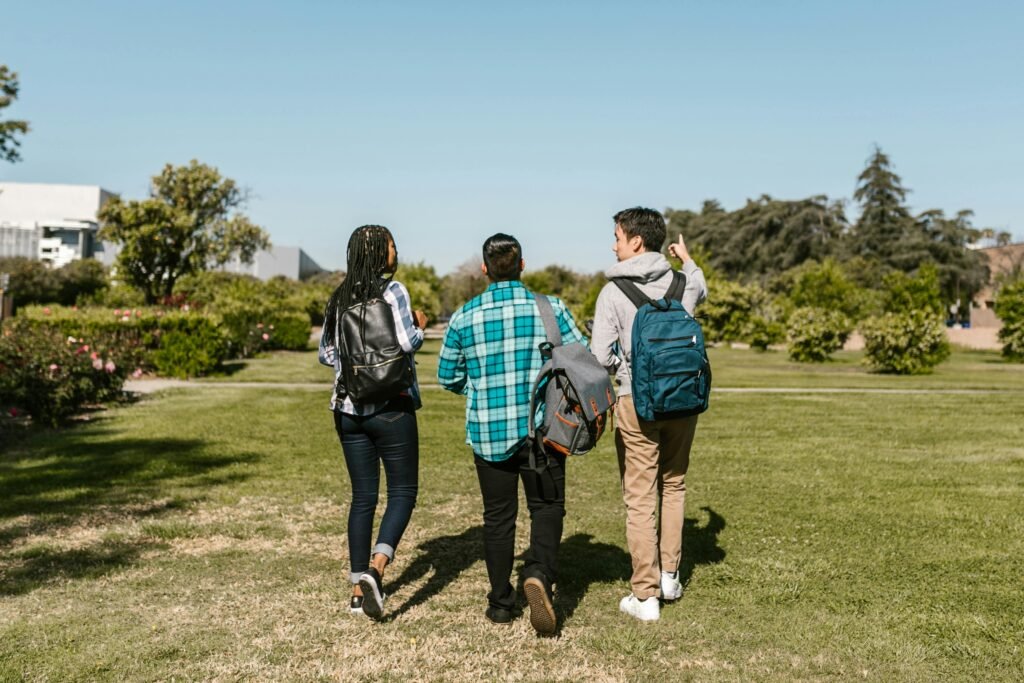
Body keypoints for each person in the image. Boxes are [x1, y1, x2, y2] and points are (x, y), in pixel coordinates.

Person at [437, 233, 586, 635]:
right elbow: (581, 357)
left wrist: (479, 388)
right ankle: (538, 574)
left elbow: (446, 376)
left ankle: (501, 603)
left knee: (498, 519)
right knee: (547, 508)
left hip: (489, 432)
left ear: (484, 269)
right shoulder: (550, 308)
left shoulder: (465, 315)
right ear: (522, 265)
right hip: (544, 430)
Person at [590, 207, 708, 622]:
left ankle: (645, 595)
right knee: (674, 484)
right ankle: (670, 576)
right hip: (683, 400)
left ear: (635, 241)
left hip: (635, 402)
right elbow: (701, 288)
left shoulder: (613, 292)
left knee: (639, 497)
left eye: (618, 237)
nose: (613, 244)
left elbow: (600, 356)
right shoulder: (682, 283)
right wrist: (687, 258)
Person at [318, 224, 428, 620]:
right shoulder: (393, 291)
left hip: (347, 408)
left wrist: (356, 361)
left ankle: (355, 592)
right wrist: (420, 323)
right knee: (403, 491)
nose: (396, 251)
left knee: (362, 497)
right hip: (391, 406)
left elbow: (327, 354)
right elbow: (405, 343)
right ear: (382, 254)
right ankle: (376, 571)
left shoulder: (337, 299)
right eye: (393, 245)